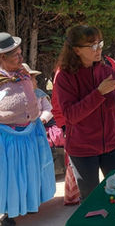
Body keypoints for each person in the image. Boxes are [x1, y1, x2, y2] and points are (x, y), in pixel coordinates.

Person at [54, 25, 115, 201]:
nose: (99, 49)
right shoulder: (64, 76)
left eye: (100, 44)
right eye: (92, 46)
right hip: (83, 149)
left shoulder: (107, 70)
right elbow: (71, 115)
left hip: (112, 143)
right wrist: (98, 93)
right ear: (76, 50)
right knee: (91, 200)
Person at [0, 32, 55, 225]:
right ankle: (8, 214)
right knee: (10, 177)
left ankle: (26, 203)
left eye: (21, 53)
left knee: (29, 172)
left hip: (30, 133)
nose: (21, 58)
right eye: (16, 55)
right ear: (2, 57)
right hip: (7, 138)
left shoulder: (22, 74)